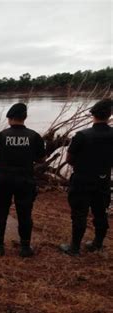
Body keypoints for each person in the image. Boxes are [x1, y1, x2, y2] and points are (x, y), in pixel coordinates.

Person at [0, 103, 46, 257]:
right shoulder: (34, 136)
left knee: (0, 212)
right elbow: (41, 159)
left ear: (9, 118)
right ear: (25, 118)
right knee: (24, 214)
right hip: (25, 180)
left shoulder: (1, 135)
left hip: (3, 180)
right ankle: (25, 248)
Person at [60, 98, 112, 256]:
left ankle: (74, 248)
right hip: (103, 179)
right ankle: (97, 243)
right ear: (109, 115)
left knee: (79, 214)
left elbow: (69, 158)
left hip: (82, 180)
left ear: (92, 115)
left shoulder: (82, 135)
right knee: (100, 212)